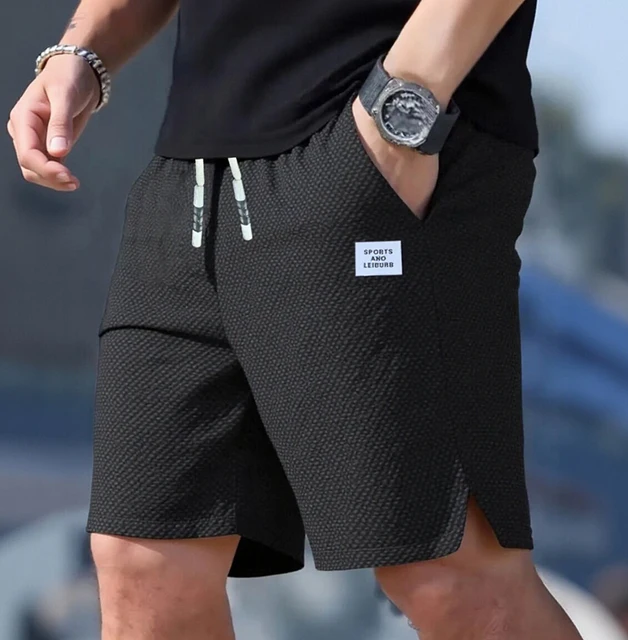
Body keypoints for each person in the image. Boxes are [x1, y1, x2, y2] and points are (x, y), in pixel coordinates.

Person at [7, 0, 584, 637]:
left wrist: (401, 111)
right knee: (146, 562)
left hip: (379, 144)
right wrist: (84, 50)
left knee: (446, 571)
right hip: (191, 172)